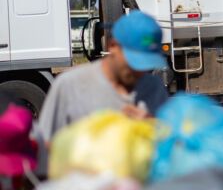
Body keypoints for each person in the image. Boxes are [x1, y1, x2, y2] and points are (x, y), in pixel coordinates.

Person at [37, 10, 169, 144]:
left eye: (146, 63)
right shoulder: (70, 85)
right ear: (112, 46)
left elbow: (170, 145)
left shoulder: (155, 87)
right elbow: (46, 145)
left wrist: (152, 126)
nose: (140, 71)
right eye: (133, 62)